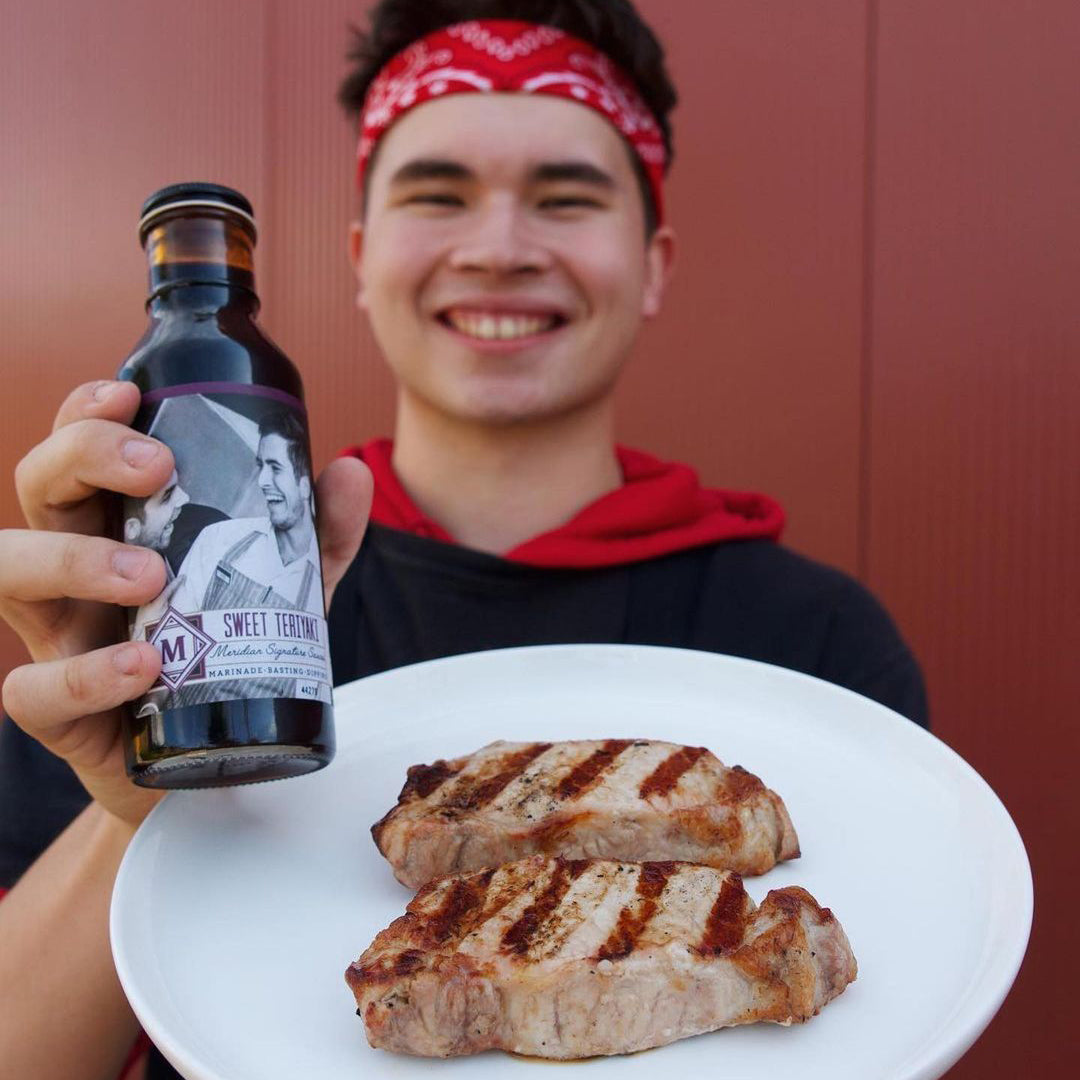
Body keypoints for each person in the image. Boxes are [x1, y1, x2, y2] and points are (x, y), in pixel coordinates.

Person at [0, 2, 927, 1077]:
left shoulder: (813, 644)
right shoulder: (171, 626)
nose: (498, 248)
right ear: (361, 256)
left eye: (565, 198)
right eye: (438, 195)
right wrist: (136, 810)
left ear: (655, 260)